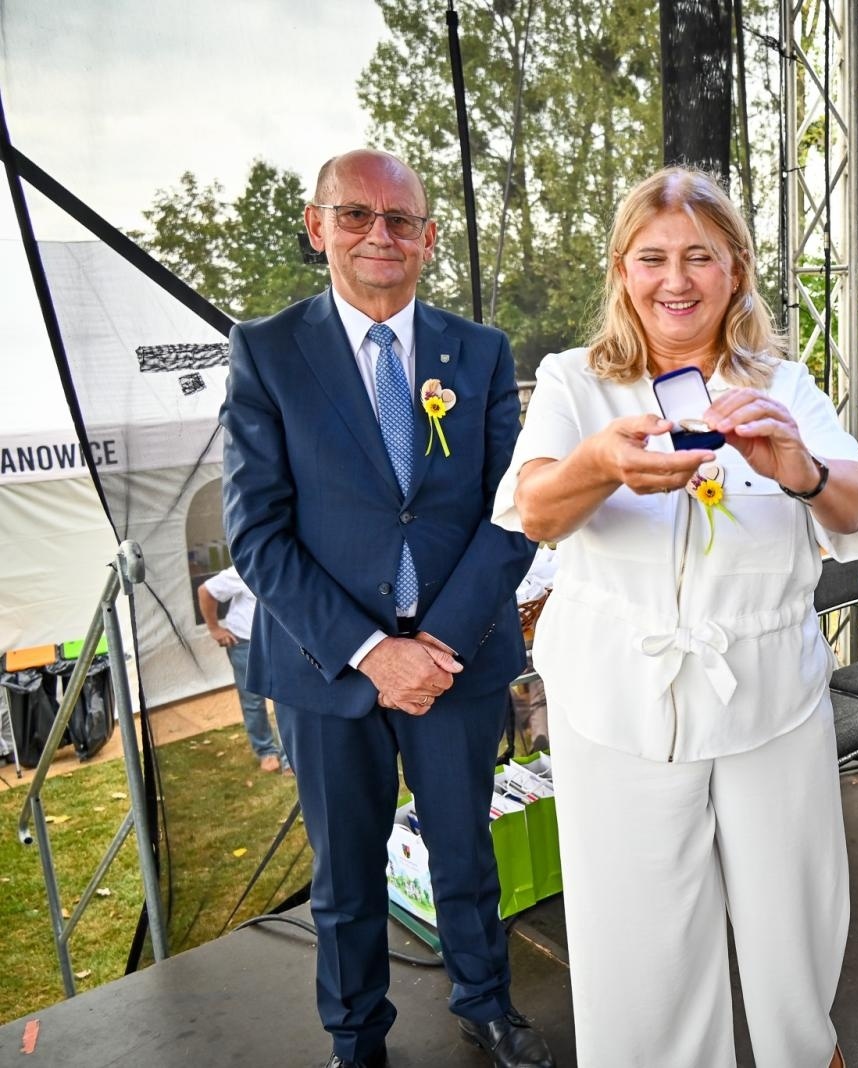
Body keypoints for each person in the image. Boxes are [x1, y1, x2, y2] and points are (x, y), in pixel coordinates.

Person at [494, 166, 858, 1067]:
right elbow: (535, 510)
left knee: (792, 915)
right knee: (639, 940)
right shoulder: (574, 382)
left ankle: (803, 1052)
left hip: (768, 698)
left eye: (700, 256)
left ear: (735, 269)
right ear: (621, 270)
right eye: (653, 257)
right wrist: (599, 464)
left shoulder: (782, 383)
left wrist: (799, 469)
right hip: (618, 701)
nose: (677, 279)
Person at [221, 149, 550, 1068]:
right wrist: (372, 651)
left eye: (401, 219)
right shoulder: (268, 352)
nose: (380, 234)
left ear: (428, 238)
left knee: (465, 855)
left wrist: (436, 642)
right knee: (345, 876)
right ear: (316, 226)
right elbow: (257, 534)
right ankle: (356, 1036)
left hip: (455, 660)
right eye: (356, 214)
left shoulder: (479, 352)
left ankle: (487, 1008)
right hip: (329, 668)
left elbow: (514, 512)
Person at [197, 565, 286, 773]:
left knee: (286, 699)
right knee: (253, 700)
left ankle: (289, 757)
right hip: (245, 643)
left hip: (280, 642)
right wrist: (214, 629)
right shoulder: (245, 567)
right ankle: (266, 751)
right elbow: (206, 591)